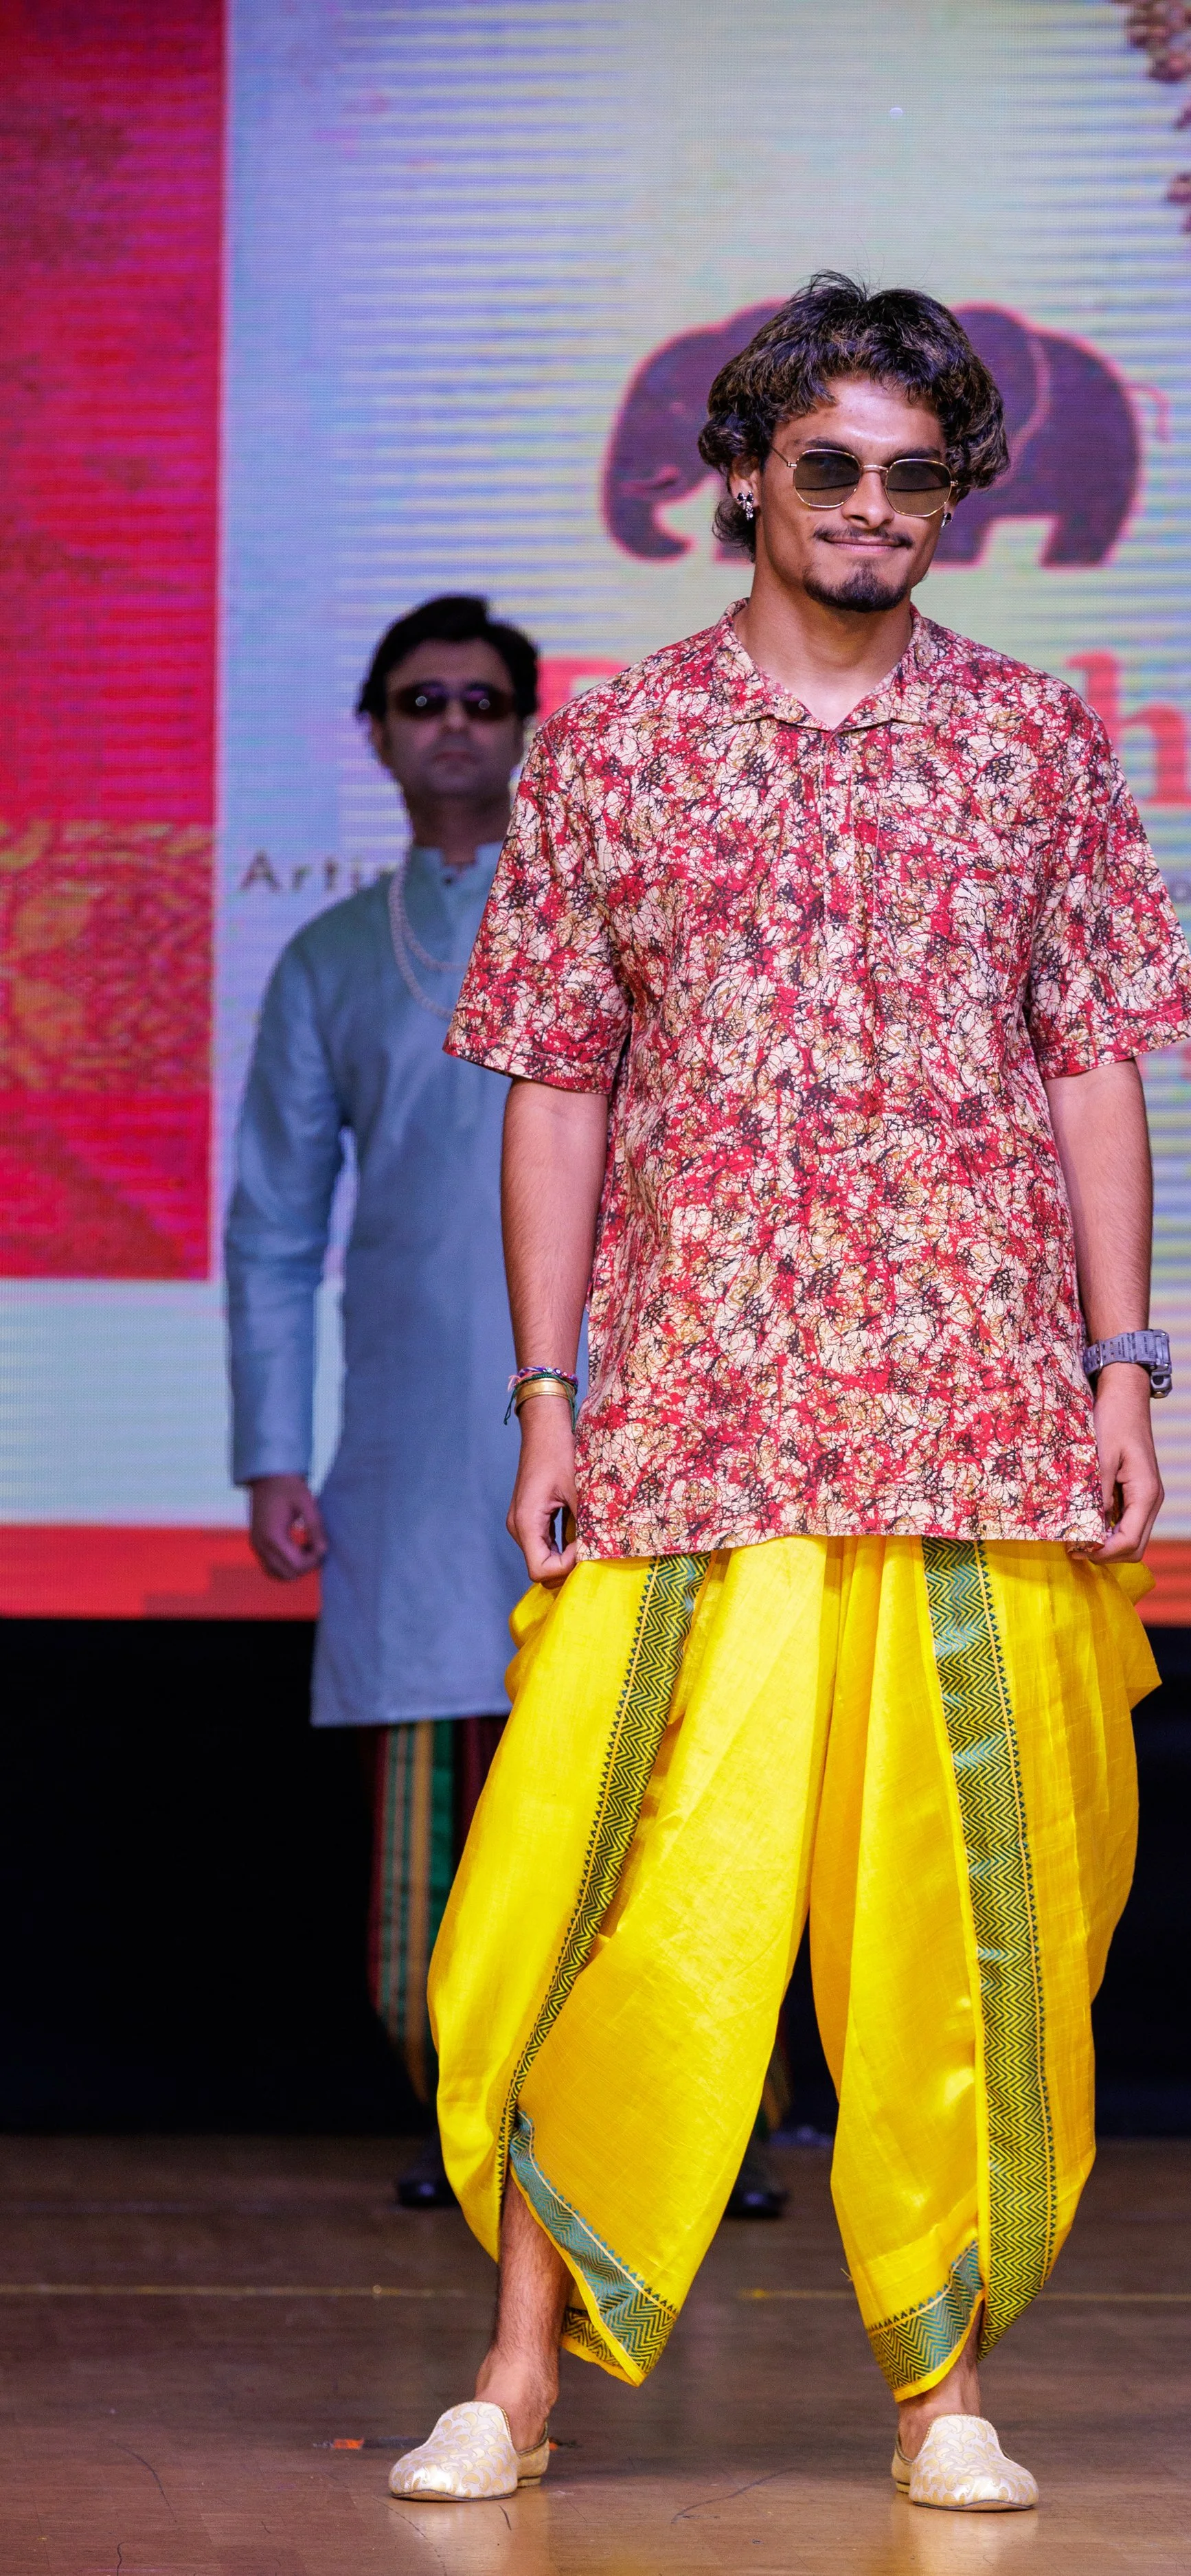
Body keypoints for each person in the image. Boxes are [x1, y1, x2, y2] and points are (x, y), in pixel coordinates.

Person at [389, 275, 1191, 2513]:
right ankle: (518, 2379)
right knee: (626, 1885)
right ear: (741, 480)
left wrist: (1124, 1369)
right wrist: (550, 1399)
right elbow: (553, 1089)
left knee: (962, 1915)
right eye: (828, 467)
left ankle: (944, 2394)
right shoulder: (621, 739)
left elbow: (1093, 1063)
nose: (871, 508)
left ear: (960, 495)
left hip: (970, 1405)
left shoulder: (1032, 741)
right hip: (694, 1409)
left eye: (915, 474)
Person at [225, 594, 539, 2205]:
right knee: (431, 1792)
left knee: (655, 1768)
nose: (455, 726)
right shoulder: (336, 956)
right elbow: (276, 1222)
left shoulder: (599, 921)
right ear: (376, 730)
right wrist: (272, 1453)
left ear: (526, 727)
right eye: (422, 700)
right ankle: (463, 2127)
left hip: (618, 1412)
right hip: (416, 1434)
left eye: (483, 700)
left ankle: (703, 2135)